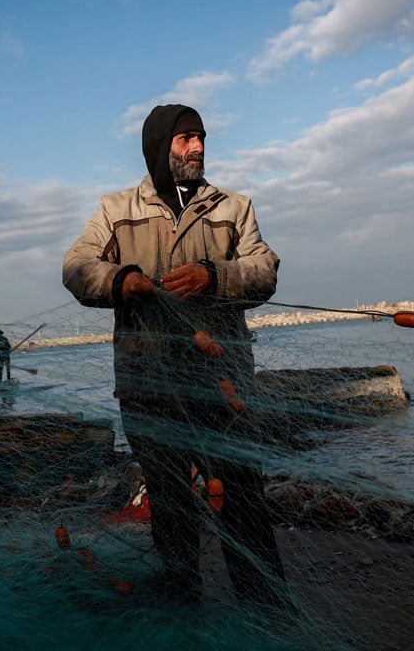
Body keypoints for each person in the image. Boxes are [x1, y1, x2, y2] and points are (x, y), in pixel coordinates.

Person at [63, 104, 286, 607]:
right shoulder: (115, 210)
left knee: (242, 496)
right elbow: (77, 267)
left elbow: (265, 270)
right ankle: (185, 604)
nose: (198, 147)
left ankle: (267, 609)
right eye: (187, 138)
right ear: (161, 146)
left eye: (202, 137)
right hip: (147, 385)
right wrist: (121, 280)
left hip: (221, 383)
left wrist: (215, 275)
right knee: (170, 500)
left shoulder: (233, 207)